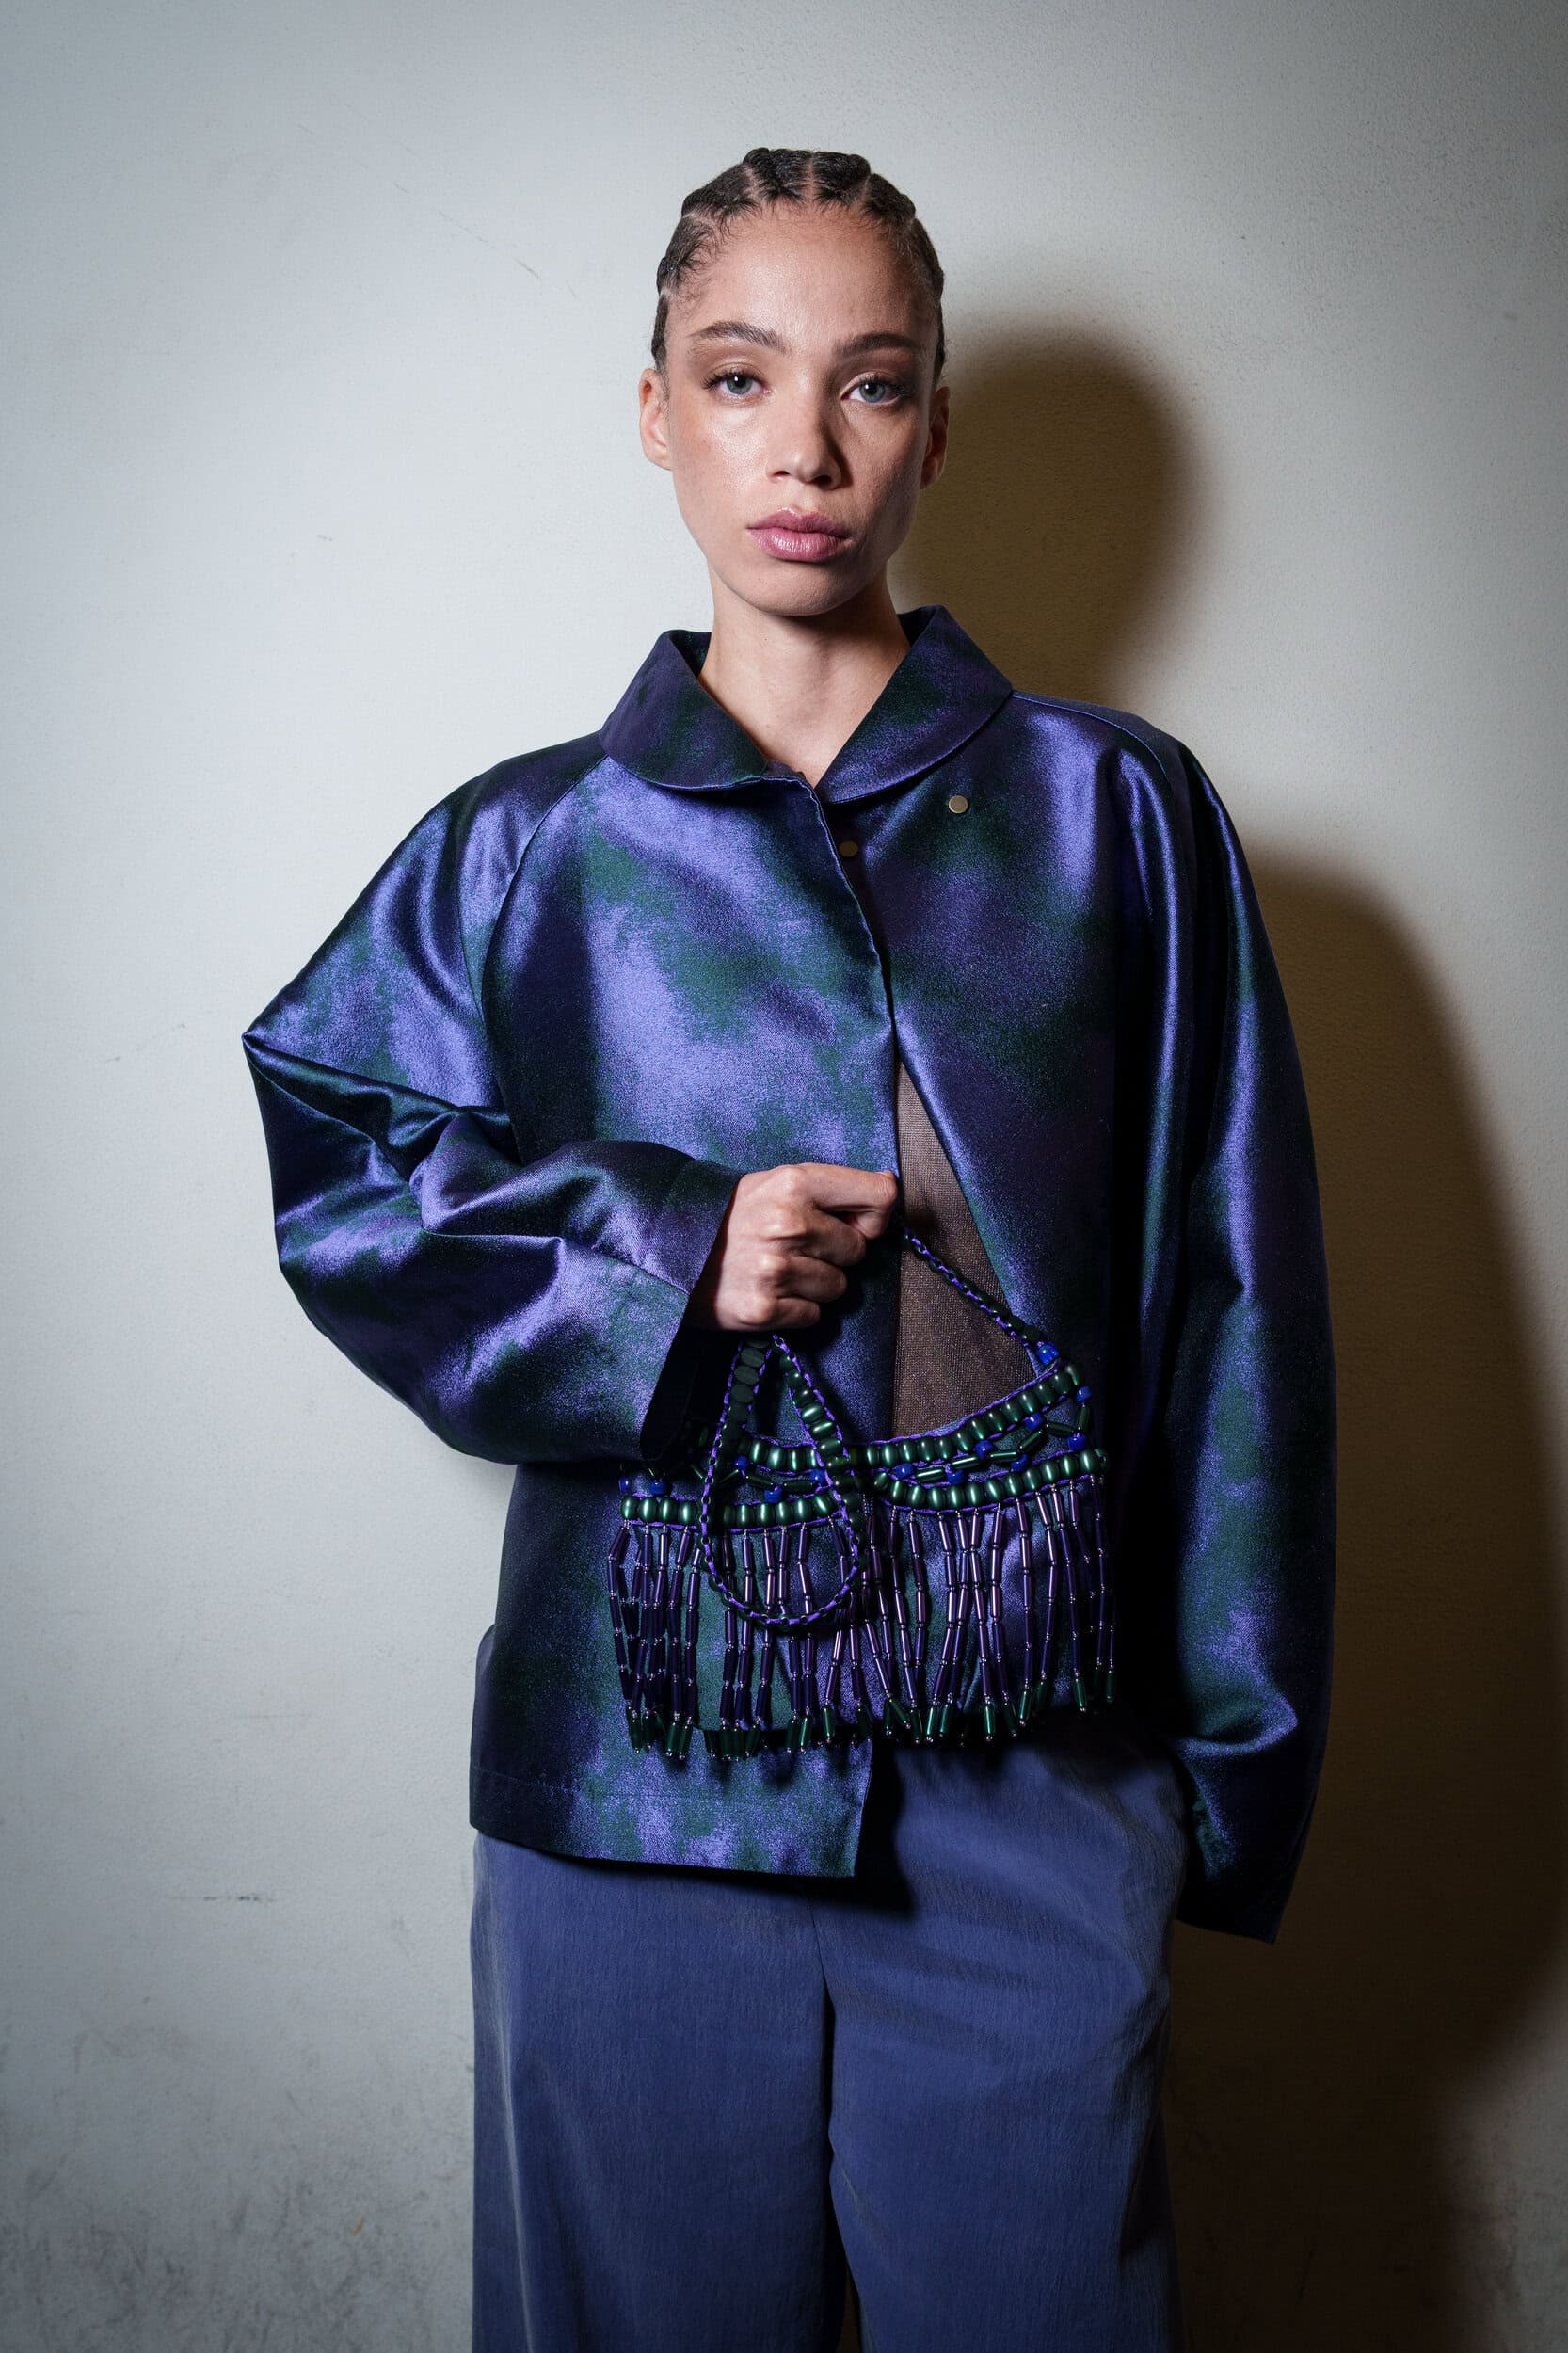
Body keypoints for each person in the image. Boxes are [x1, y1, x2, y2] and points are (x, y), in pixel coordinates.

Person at [242, 147, 1336, 2353]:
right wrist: (660, 1249)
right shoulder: (521, 846)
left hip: (1032, 1764)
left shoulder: (1117, 815)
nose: (804, 448)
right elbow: (341, 1164)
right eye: (739, 377)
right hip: (627, 1782)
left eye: (870, 382)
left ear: (933, 427)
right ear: (653, 410)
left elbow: (1241, 1309)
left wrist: (1209, 1777)